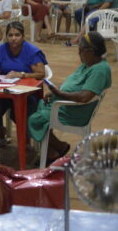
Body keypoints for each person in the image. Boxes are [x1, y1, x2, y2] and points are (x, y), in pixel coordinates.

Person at [28, 31, 111, 162]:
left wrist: (59, 94)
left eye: (81, 51)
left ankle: (58, 148)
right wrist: (56, 92)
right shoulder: (88, 64)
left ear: (90, 51)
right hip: (65, 104)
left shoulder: (100, 70)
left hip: (74, 112)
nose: (79, 54)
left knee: (35, 118)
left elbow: (84, 97)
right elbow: (73, 84)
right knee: (35, 106)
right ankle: (50, 150)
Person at [0, 20, 48, 145]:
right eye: (10, 35)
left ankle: (26, 140)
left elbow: (41, 74)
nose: (13, 38)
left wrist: (22, 74)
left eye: (17, 35)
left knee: (24, 111)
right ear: (6, 37)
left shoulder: (31, 51)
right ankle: (2, 135)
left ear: (23, 37)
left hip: (25, 93)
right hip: (3, 91)